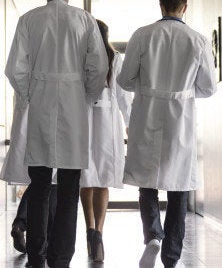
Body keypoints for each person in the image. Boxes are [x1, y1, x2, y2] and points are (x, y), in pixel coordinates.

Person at [4, 0, 108, 268]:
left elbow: (14, 69)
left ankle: (37, 254)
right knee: (69, 184)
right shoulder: (85, 20)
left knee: (39, 183)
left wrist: (29, 96)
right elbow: (98, 68)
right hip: (75, 104)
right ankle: (61, 257)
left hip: (40, 103)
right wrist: (86, 96)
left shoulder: (29, 20)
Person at [117, 0, 217, 268]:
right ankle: (171, 256)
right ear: (184, 7)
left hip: (147, 111)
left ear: (161, 6)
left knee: (146, 182)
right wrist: (183, 91)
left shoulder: (142, 34)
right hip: (180, 116)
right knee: (179, 185)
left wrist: (148, 88)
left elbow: (125, 81)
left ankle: (152, 235)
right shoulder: (197, 40)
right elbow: (208, 87)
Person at [79, 19, 132, 263]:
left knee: (86, 179)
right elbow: (124, 98)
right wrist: (131, 125)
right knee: (102, 181)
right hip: (108, 126)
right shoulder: (116, 60)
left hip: (83, 124)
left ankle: (90, 230)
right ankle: (98, 233)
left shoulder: (80, 58)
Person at [0, 94, 57, 256]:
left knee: (40, 181)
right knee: (52, 183)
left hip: (29, 115)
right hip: (52, 115)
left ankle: (20, 224)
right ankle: (44, 242)